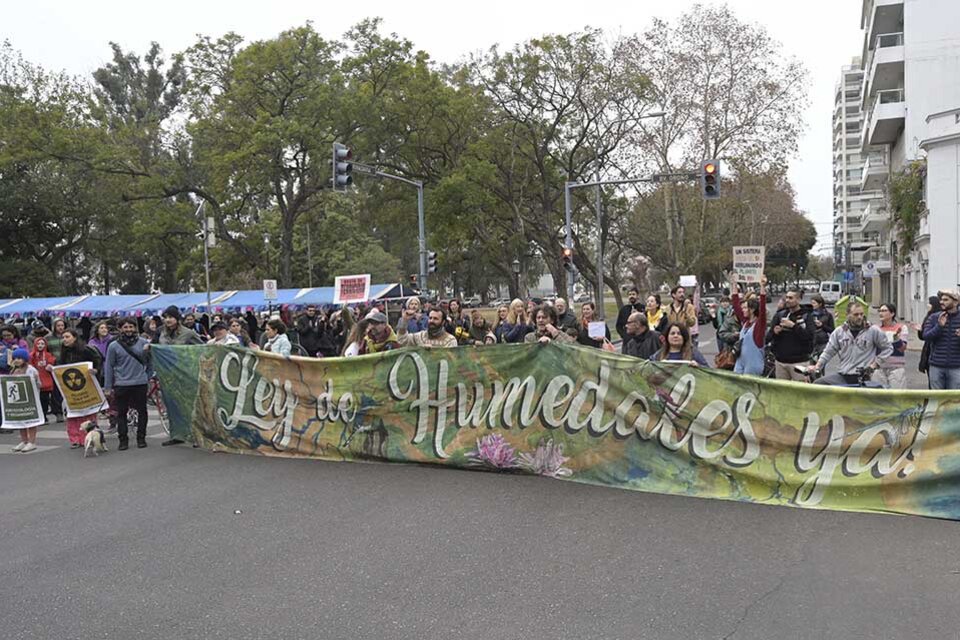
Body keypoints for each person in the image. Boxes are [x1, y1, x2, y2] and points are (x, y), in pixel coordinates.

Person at [809, 302, 892, 386]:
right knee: (818, 384)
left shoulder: (873, 330)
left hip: (865, 377)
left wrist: (874, 365)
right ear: (847, 315)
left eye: (861, 314)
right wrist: (817, 366)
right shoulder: (839, 332)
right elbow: (828, 352)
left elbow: (888, 348)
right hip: (844, 375)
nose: (860, 317)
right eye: (856, 314)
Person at [105, 318, 154, 450]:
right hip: (122, 384)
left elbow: (150, 362)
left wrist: (147, 376)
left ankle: (141, 438)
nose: (128, 330)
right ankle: (123, 440)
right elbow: (109, 366)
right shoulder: (113, 346)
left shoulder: (144, 343)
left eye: (131, 327)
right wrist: (108, 387)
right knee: (121, 413)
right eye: (125, 327)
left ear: (135, 328)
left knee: (142, 411)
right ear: (120, 329)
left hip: (140, 383)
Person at [59, 329, 103, 448]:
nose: (65, 340)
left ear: (74, 338)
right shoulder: (64, 352)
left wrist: (95, 370)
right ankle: (74, 439)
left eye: (67, 337)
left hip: (86, 385)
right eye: (63, 337)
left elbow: (98, 360)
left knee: (88, 413)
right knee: (73, 414)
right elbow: (61, 367)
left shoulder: (86, 349)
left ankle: (89, 437)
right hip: (72, 388)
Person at [766, 287, 815, 381]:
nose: (787, 300)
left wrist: (793, 326)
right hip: (781, 362)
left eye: (791, 298)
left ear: (799, 299)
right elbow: (768, 337)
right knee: (781, 392)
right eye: (786, 297)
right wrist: (775, 332)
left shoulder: (807, 316)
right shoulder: (780, 315)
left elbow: (810, 337)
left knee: (800, 392)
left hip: (799, 362)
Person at [729, 275, 767, 376]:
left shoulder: (759, 325)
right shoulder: (745, 322)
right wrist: (734, 284)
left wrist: (762, 287)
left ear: (753, 309)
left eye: (745, 308)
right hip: (740, 361)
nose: (743, 309)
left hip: (753, 364)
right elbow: (736, 305)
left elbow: (762, 309)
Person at [922, 289, 960, 390]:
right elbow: (925, 336)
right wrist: (939, 326)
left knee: (953, 401)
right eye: (941, 299)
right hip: (936, 366)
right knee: (936, 400)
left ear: (956, 302)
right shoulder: (934, 317)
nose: (941, 302)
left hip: (957, 367)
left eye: (946, 300)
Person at [6, 348, 41, 452]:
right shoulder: (13, 370)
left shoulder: (32, 370)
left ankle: (32, 442)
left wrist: (35, 379)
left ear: (25, 359)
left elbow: (39, 385)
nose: (17, 360)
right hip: (18, 399)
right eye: (15, 358)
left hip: (30, 399)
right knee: (21, 421)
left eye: (19, 358)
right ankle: (24, 441)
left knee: (30, 421)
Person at [875, 302, 908, 389]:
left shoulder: (901, 328)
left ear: (892, 313)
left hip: (896, 368)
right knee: (879, 398)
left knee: (897, 397)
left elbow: (902, 348)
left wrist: (896, 339)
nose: (881, 313)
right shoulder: (876, 329)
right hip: (879, 368)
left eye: (884, 311)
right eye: (880, 311)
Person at [29, 336, 57, 419]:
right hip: (36, 381)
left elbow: (52, 362)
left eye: (42, 344)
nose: (40, 345)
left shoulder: (48, 355)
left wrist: (50, 366)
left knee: (45, 399)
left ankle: (44, 415)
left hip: (46, 381)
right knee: (38, 399)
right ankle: (39, 415)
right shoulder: (32, 356)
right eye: (38, 343)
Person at [917, 295, 941, 386]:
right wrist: (920, 331)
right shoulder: (928, 316)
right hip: (927, 353)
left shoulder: (938, 317)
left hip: (934, 353)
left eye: (929, 303)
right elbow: (924, 336)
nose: (927, 305)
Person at [809, 295, 835, 359]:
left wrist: (822, 325)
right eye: (811, 303)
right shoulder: (809, 314)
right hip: (811, 342)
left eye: (814, 303)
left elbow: (832, 330)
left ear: (820, 304)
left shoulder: (827, 315)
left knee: (821, 364)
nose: (812, 305)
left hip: (823, 342)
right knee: (811, 364)